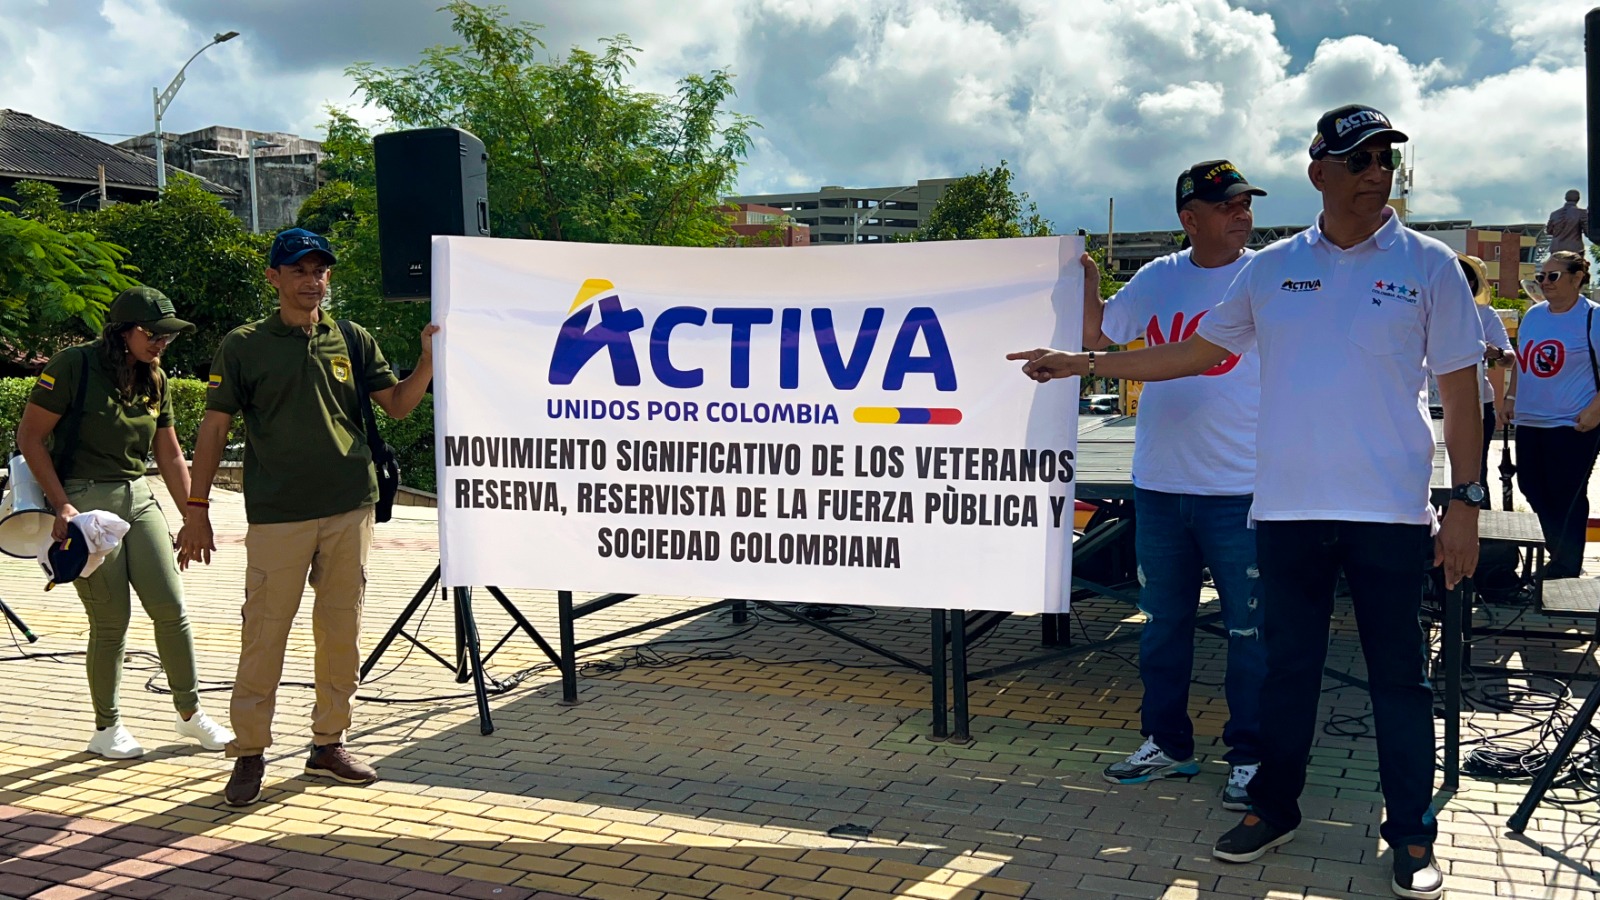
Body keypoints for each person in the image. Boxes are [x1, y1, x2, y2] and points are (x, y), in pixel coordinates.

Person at [1009, 104, 1483, 900]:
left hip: (1391, 516)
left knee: (1399, 682)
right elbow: (1196, 353)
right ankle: (1273, 809)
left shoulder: (1430, 264)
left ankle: (1409, 834)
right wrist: (1083, 363)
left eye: (1385, 160)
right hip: (1288, 513)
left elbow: (1463, 396)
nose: (1376, 173)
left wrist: (1464, 503)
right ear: (1318, 174)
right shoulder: (1269, 271)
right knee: (1286, 673)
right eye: (1359, 160)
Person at [176, 228, 438, 806]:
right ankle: (249, 753)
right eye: (298, 269)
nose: (311, 279)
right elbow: (214, 428)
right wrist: (197, 509)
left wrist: (426, 361)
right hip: (278, 515)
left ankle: (328, 744)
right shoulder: (244, 345)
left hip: (350, 507)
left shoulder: (351, 337)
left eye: (319, 269)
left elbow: (395, 406)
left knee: (341, 631)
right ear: (273, 277)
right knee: (265, 633)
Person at [1085, 160, 1268, 810]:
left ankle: (1251, 757)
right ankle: (1168, 743)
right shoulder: (1160, 276)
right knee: (1163, 627)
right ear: (1190, 217)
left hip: (1244, 488)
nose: (1241, 215)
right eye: (1227, 206)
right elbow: (1095, 335)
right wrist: (1080, 274)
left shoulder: (1267, 275)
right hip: (1161, 486)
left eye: (1246, 203)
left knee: (1252, 635)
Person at [17, 287, 234, 759]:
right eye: (152, 334)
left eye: (167, 337)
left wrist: (194, 512)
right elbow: (29, 438)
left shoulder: (155, 377)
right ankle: (106, 727)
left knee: (171, 608)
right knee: (111, 621)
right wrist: (61, 506)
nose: (161, 344)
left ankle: (190, 715)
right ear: (122, 331)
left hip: (138, 496)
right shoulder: (73, 366)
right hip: (85, 501)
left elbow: (171, 453)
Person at [1500, 250, 1600, 578]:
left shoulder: (1593, 317)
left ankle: (1565, 564)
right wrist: (1511, 396)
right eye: (1541, 277)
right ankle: (1557, 550)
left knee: (1566, 492)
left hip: (1572, 424)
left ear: (1577, 278)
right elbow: (1523, 359)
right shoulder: (1534, 315)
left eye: (1553, 277)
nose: (1544, 283)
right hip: (1530, 421)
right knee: (1531, 486)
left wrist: (1594, 411)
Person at [1460, 255, 1512, 507]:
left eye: (1467, 277)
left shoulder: (1485, 313)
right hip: (1432, 405)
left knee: (1474, 472)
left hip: (1478, 405)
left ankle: (1485, 539)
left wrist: (1498, 353)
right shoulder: (1430, 307)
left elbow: (1509, 357)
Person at [1547, 189, 1586, 256]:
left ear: (1565, 198)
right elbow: (1588, 232)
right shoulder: (1582, 213)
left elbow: (1549, 231)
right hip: (1574, 250)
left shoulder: (1554, 214)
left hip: (1555, 249)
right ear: (1578, 199)